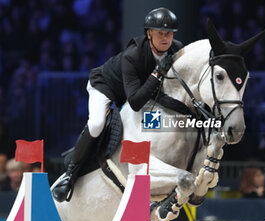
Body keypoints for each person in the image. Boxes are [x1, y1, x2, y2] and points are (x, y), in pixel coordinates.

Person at [52, 7, 185, 202]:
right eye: (161, 33)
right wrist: (157, 74)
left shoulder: (176, 49)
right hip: (106, 87)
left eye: (170, 34)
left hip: (138, 92)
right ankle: (70, 176)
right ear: (149, 33)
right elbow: (136, 102)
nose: (166, 38)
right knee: (97, 124)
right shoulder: (134, 55)